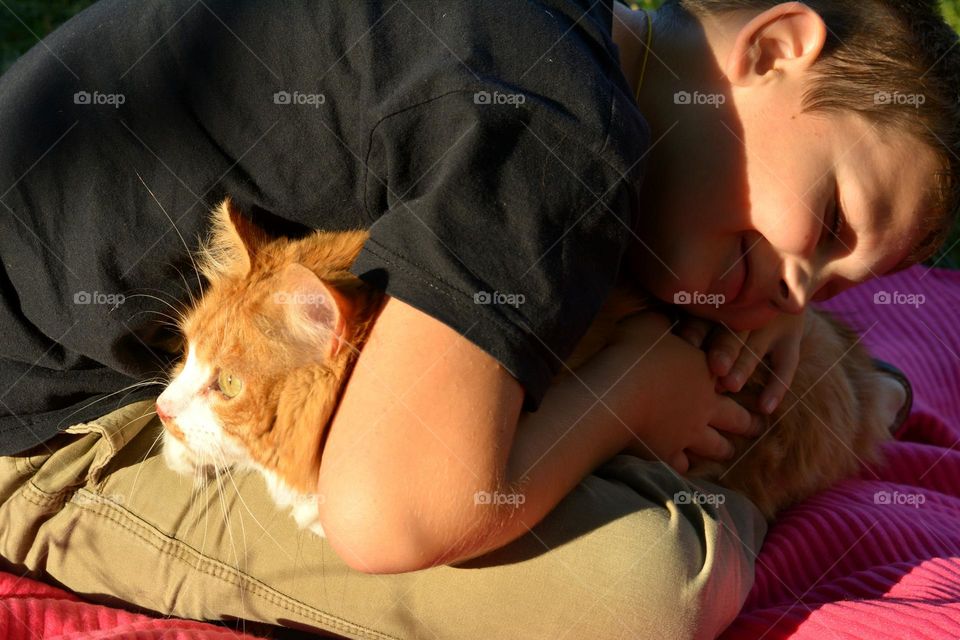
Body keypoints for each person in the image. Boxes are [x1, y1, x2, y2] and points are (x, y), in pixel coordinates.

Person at [0, 0, 955, 638]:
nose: (801, 290)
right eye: (829, 225)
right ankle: (752, 488)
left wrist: (770, 287)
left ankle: (837, 396)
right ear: (777, 47)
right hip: (56, 427)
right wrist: (626, 389)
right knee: (651, 584)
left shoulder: (563, 38)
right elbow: (386, 517)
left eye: (832, 286)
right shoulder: (560, 136)